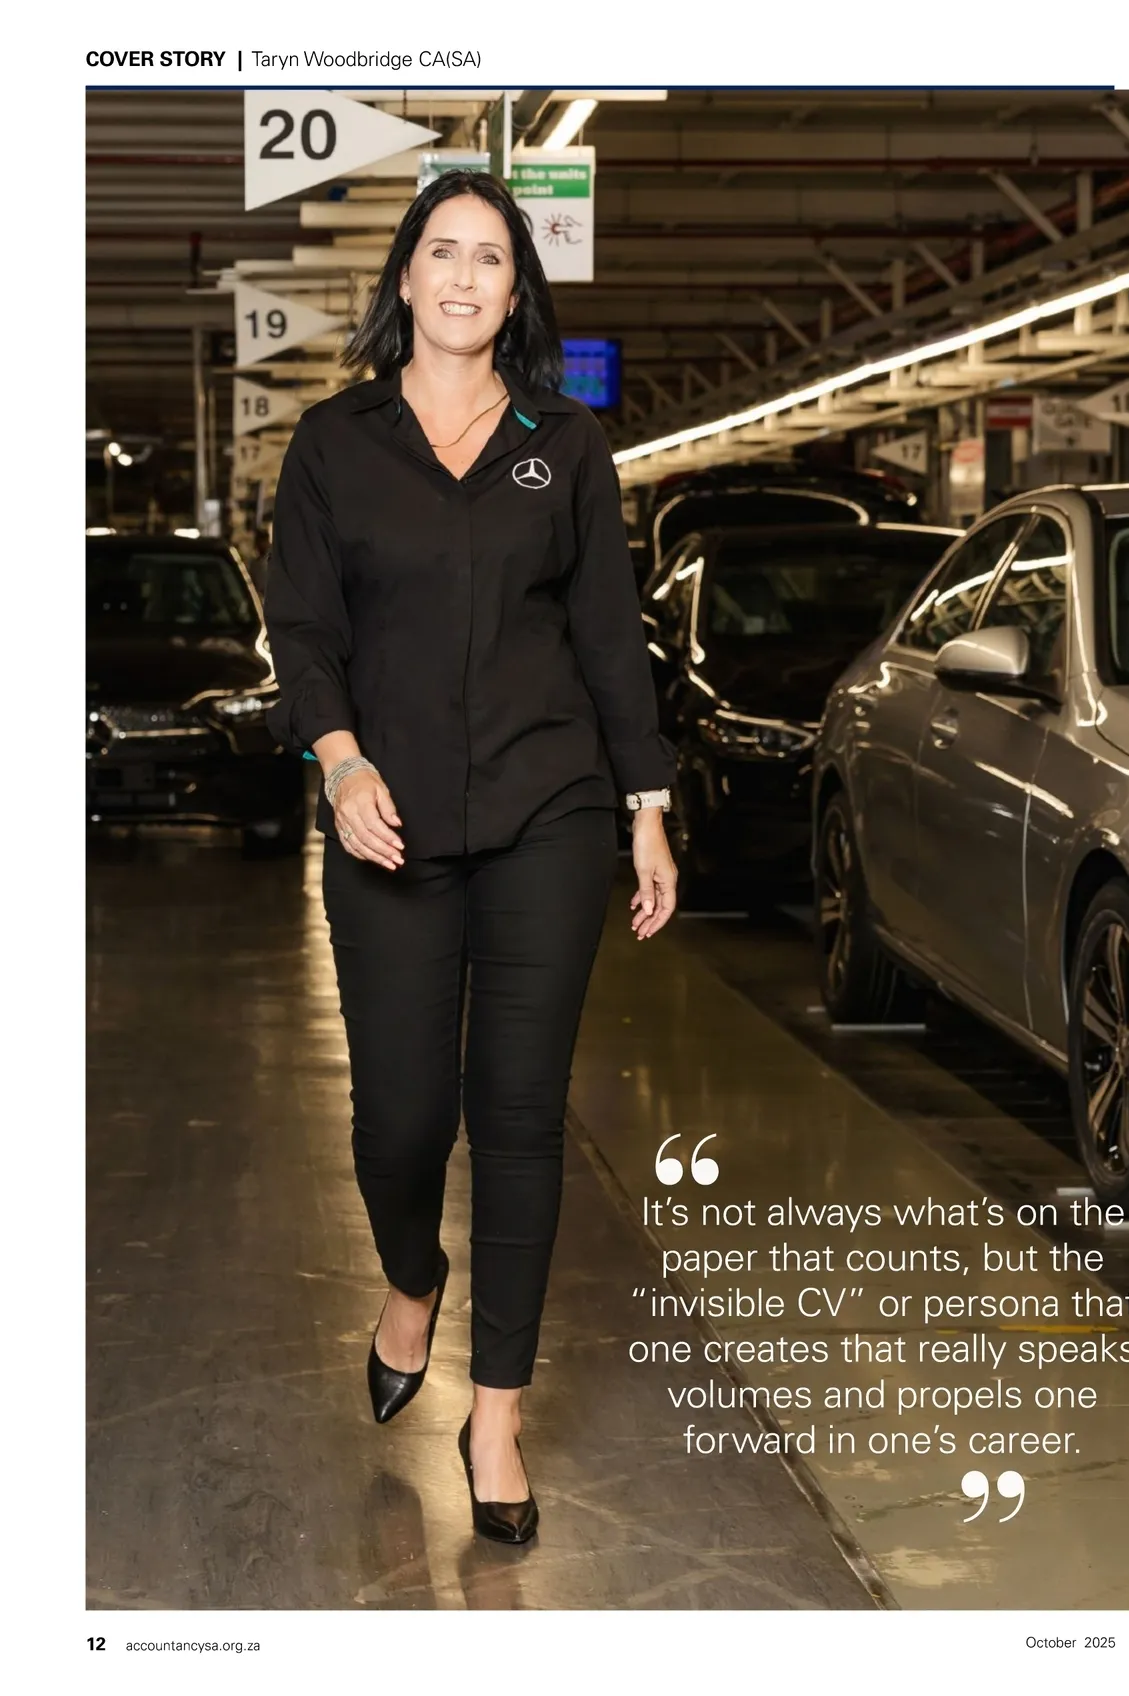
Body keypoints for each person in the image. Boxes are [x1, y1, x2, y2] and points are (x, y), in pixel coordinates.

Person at [263, 171, 678, 1544]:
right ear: (403, 276)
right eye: (440, 251)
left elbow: (609, 637)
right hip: (383, 820)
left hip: (546, 813)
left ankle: (494, 1416)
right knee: (398, 1123)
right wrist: (340, 762)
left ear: (516, 290)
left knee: (518, 1114)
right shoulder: (335, 444)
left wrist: (646, 807)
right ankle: (409, 1277)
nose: (461, 276)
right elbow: (304, 629)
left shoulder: (567, 441)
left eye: (489, 257)